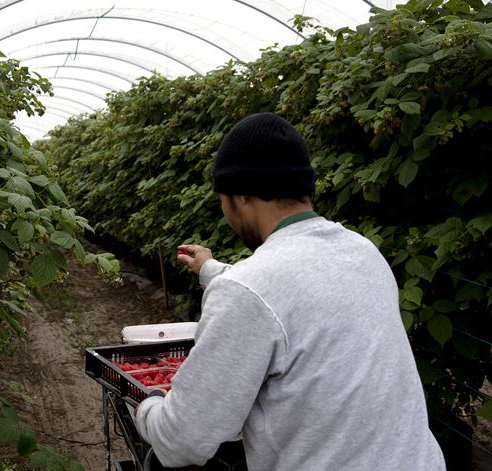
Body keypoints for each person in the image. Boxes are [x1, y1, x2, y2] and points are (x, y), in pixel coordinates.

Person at [133, 113, 445, 470]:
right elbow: (291, 293)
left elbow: (181, 442)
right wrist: (209, 268)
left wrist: (148, 404)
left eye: (222, 198)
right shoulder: (363, 252)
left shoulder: (247, 291)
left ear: (242, 196)